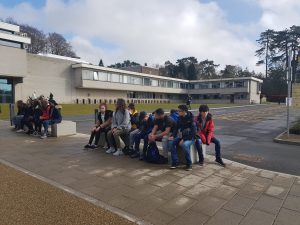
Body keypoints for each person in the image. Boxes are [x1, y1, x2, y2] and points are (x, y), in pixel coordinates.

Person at [169, 105, 196, 171]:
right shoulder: (179, 118)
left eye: (179, 111)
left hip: (191, 137)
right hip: (182, 136)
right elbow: (176, 128)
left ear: (184, 112)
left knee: (185, 145)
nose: (178, 112)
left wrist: (184, 139)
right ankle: (175, 162)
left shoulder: (191, 119)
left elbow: (193, 133)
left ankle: (189, 164)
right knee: (171, 142)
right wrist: (173, 135)